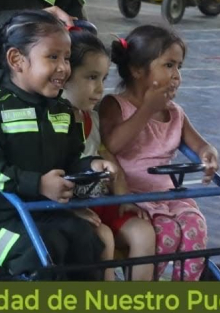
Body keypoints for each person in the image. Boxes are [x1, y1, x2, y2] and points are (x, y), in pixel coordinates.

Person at [0, 10, 112, 279]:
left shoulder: (63, 112)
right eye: (52, 57)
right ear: (17, 59)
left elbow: (70, 161)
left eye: (66, 58)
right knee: (40, 251)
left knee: (86, 240)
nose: (64, 68)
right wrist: (38, 184)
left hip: (43, 214)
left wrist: (90, 166)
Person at [100, 25, 218, 282]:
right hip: (132, 197)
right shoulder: (115, 105)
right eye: (168, 65)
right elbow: (112, 144)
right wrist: (147, 109)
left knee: (195, 229)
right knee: (166, 233)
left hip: (168, 196)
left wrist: (208, 153)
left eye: (179, 67)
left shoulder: (175, 112)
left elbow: (199, 145)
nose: (176, 75)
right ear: (137, 70)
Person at [63, 28, 156, 282]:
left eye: (103, 79)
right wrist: (70, 210)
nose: (100, 89)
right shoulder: (53, 122)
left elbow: (107, 155)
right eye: (91, 77)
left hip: (102, 201)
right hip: (75, 207)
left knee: (144, 232)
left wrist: (123, 196)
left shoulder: (90, 116)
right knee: (102, 238)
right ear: (64, 75)